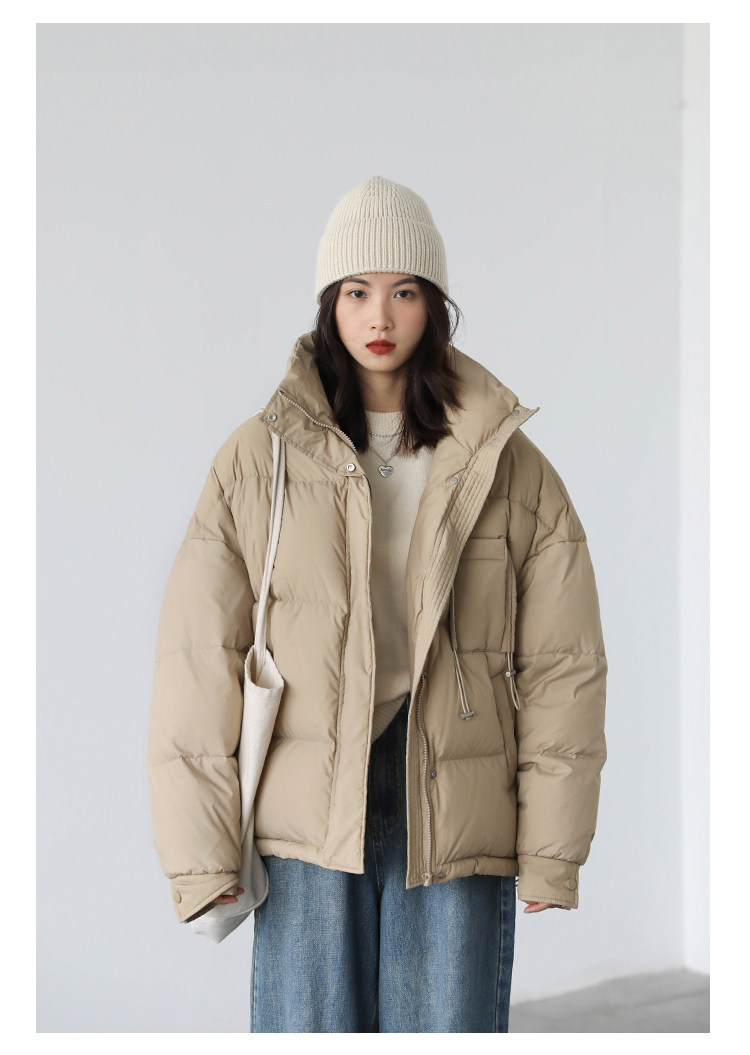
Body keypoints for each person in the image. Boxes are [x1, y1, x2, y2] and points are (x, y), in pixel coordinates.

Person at [147, 175, 608, 1033]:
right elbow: (197, 656)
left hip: (455, 794)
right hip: (309, 799)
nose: (380, 316)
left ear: (435, 305)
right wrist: (198, 853)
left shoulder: (508, 464)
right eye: (357, 291)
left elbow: (563, 663)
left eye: (404, 292)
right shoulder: (259, 460)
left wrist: (553, 846)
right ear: (331, 305)